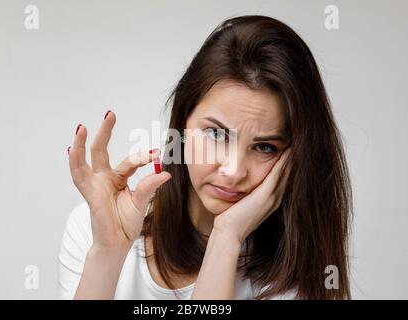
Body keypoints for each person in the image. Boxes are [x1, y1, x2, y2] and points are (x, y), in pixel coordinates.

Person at [58, 15, 352, 300]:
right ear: (183, 123)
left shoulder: (291, 276)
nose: (234, 171)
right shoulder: (93, 228)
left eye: (265, 147)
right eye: (216, 134)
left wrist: (226, 237)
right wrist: (108, 252)